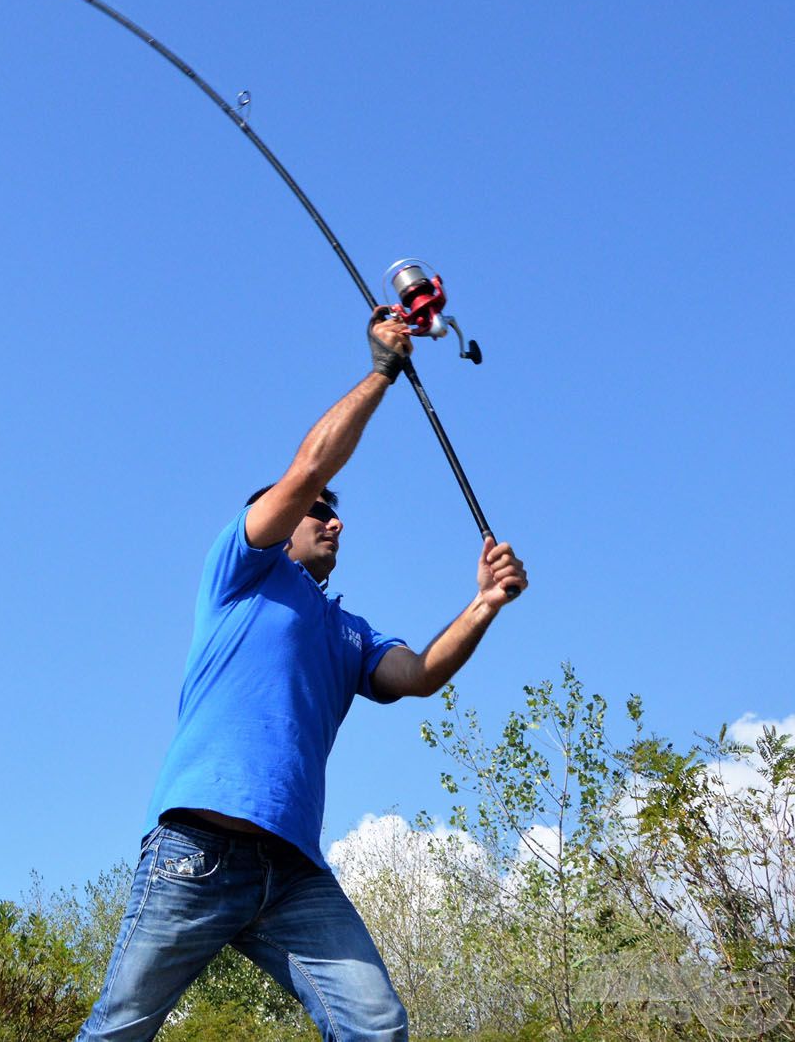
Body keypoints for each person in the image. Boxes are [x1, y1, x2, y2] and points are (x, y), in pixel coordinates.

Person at [75, 310, 528, 1042]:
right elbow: (310, 468)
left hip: (292, 874)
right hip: (198, 849)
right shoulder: (242, 571)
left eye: (336, 515)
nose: (333, 520)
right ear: (276, 515)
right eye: (318, 512)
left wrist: (484, 603)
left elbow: (419, 675)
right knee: (120, 1029)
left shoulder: (350, 632)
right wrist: (383, 371)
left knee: (378, 1028)